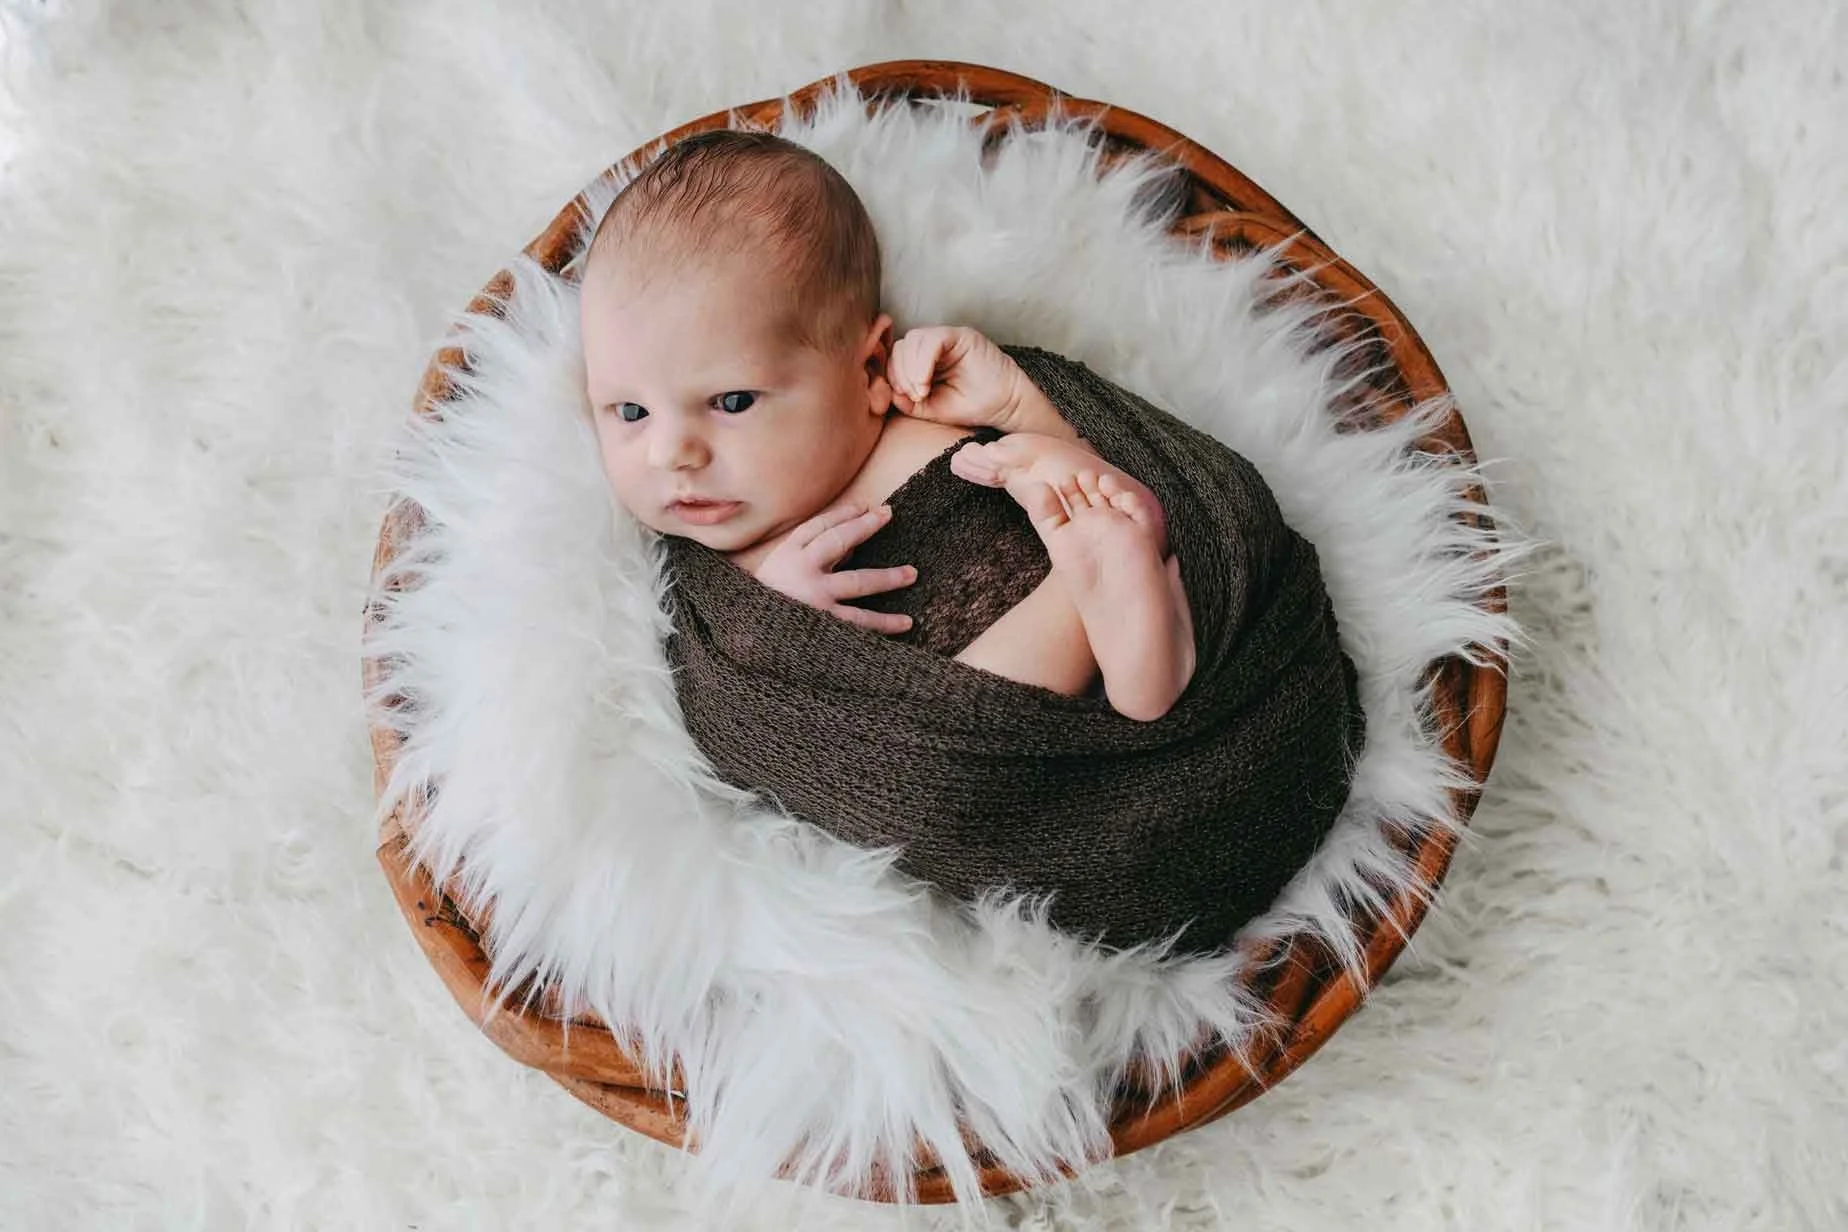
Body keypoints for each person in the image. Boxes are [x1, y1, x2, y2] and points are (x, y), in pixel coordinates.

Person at [578, 129, 1195, 721]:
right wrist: (778, 626)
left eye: (732, 402)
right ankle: (1116, 608)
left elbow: (1106, 445)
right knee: (966, 722)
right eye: (631, 412)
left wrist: (1018, 405)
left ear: (870, 365)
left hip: (1063, 545)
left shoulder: (926, 409)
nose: (671, 453)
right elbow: (750, 711)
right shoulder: (710, 577)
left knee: (1081, 481)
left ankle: (1129, 590)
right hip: (975, 709)